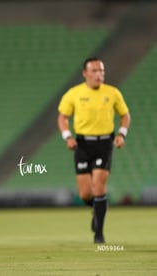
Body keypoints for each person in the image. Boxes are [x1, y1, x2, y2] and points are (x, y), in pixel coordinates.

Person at [57, 57, 130, 244]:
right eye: (95, 71)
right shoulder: (74, 93)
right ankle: (98, 207)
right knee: (85, 194)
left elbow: (125, 115)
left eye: (102, 71)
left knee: (99, 187)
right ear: (85, 73)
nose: (99, 75)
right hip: (82, 144)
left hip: (104, 143)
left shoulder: (112, 93)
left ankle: (99, 233)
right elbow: (63, 117)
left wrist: (121, 134)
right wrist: (68, 137)